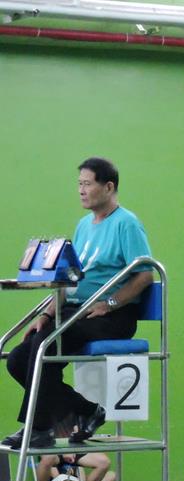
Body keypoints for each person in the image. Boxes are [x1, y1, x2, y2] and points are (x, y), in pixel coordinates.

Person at [3, 157, 154, 449]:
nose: (81, 190)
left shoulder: (127, 224)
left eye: (87, 184)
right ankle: (87, 410)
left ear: (108, 187)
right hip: (77, 311)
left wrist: (110, 303)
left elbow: (145, 274)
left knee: (45, 345)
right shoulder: (83, 226)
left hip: (112, 317)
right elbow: (69, 278)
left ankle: (39, 429)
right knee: (18, 358)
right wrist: (47, 314)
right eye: (79, 184)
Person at [33, 414, 116, 481]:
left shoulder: (74, 408)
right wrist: (64, 449)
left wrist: (72, 447)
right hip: (50, 446)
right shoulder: (44, 410)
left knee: (103, 462)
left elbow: (76, 429)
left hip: (72, 448)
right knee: (48, 458)